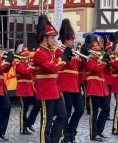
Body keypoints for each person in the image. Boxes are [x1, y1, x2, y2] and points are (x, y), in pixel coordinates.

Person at [33, 14, 71, 143]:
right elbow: (52, 68)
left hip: (54, 90)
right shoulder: (39, 53)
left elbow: (59, 61)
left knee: (63, 116)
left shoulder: (49, 51)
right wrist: (62, 60)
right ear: (45, 38)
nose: (54, 40)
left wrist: (62, 55)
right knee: (46, 122)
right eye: (52, 37)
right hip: (45, 91)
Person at [57, 19, 84, 143]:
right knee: (66, 113)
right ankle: (65, 136)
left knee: (80, 109)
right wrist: (69, 57)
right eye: (72, 39)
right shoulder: (59, 51)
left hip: (75, 86)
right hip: (65, 85)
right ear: (66, 40)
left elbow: (79, 69)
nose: (74, 42)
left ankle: (71, 132)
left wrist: (82, 59)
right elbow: (61, 65)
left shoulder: (73, 52)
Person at [84, 42, 110, 141]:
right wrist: (103, 62)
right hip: (94, 89)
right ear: (92, 52)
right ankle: (93, 134)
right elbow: (94, 69)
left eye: (99, 50)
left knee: (106, 109)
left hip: (102, 89)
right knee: (94, 113)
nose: (99, 52)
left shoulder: (99, 61)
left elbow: (106, 72)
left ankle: (99, 130)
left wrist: (108, 64)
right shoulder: (90, 61)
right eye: (97, 50)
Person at [15, 46, 40, 135]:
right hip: (22, 90)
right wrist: (33, 67)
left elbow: (32, 73)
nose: (27, 58)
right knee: (24, 109)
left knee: (37, 105)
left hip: (30, 89)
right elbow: (25, 72)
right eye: (26, 56)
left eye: (27, 56)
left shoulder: (27, 64)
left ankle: (29, 122)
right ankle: (23, 128)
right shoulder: (19, 65)